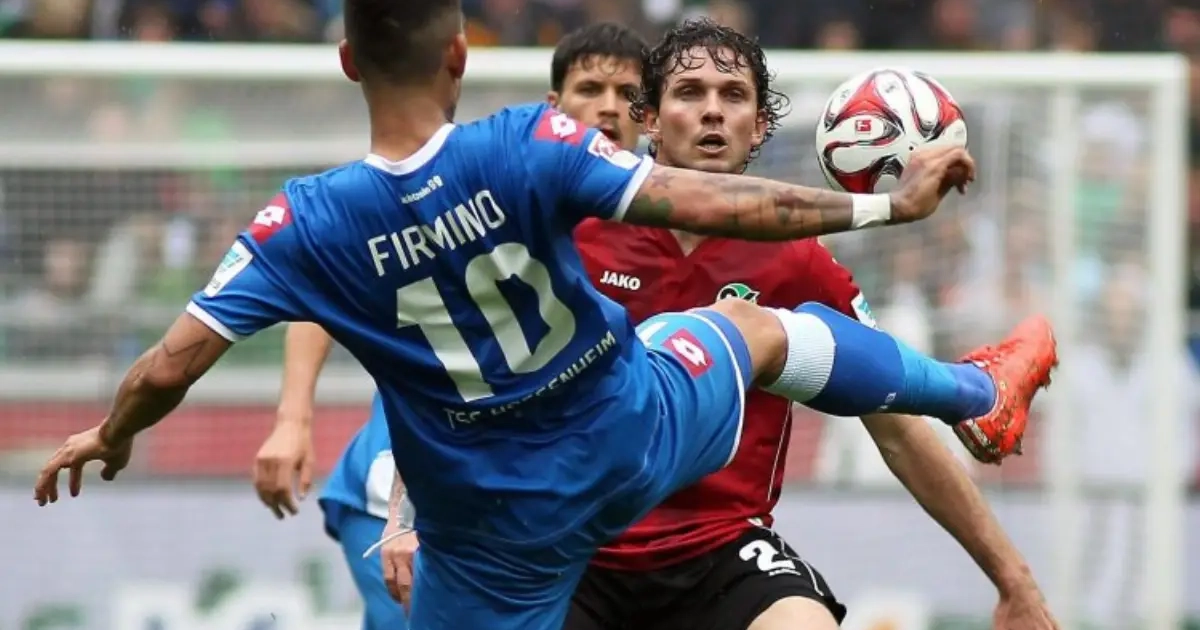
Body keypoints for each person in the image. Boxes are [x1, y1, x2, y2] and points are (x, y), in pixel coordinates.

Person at [31, 0, 1054, 627]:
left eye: (731, 98)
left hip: (513, 527)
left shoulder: (297, 225)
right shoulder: (528, 150)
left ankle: (974, 393)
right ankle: (976, 388)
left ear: (345, 61)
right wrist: (888, 208)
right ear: (460, 55)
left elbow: (167, 370)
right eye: (686, 94)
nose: (707, 113)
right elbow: (703, 203)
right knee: (754, 336)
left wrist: (112, 433)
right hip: (619, 448)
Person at [250, 23, 650, 630]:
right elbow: (321, 284)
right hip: (402, 487)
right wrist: (293, 418)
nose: (609, 107)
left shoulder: (647, 229)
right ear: (554, 108)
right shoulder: (499, 188)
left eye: (628, 95)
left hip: (514, 492)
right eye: (590, 89)